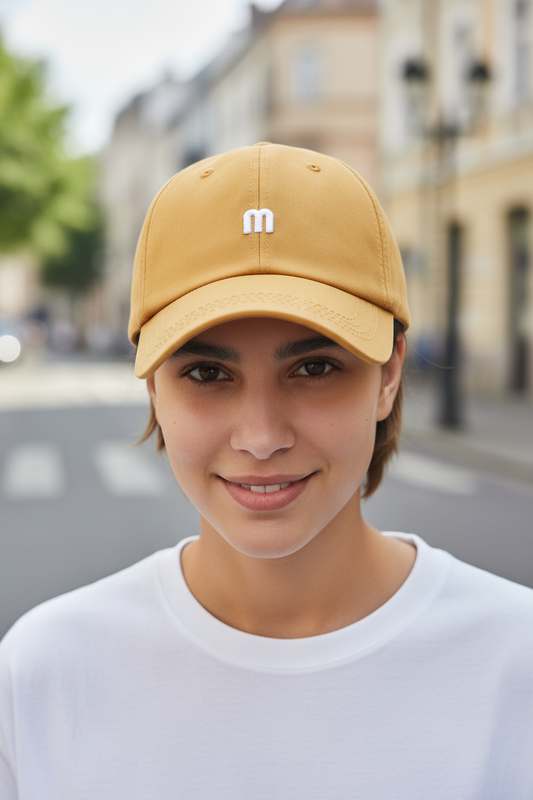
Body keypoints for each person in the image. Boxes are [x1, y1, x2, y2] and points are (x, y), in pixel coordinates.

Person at [1, 143, 532, 799]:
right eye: (206, 373)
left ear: (388, 375)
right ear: (151, 387)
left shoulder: (515, 663)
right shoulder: (45, 675)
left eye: (313, 368)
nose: (259, 438)